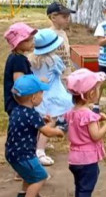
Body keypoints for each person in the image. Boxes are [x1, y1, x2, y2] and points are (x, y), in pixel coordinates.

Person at [65, 68, 106, 197]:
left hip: (75, 158)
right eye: (95, 89)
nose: (97, 91)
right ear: (88, 94)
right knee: (86, 187)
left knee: (80, 186)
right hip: (87, 158)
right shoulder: (87, 115)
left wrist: (98, 118)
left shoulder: (73, 112)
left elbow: (83, 129)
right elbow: (95, 135)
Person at [5, 75, 65, 197]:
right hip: (24, 155)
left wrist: (44, 122)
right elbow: (47, 132)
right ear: (33, 98)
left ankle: (23, 195)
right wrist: (58, 131)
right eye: (41, 93)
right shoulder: (32, 115)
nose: (42, 96)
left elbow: (35, 125)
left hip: (13, 153)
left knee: (29, 174)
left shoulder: (17, 110)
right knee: (40, 176)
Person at [30, 29, 74, 166]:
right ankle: (40, 150)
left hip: (38, 95)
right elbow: (60, 72)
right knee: (50, 122)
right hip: (53, 94)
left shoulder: (30, 59)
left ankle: (37, 144)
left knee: (39, 123)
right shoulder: (54, 60)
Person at [3, 23, 37, 116]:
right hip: (18, 105)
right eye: (28, 40)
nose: (32, 42)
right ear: (17, 43)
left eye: (32, 39)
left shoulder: (16, 57)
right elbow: (20, 84)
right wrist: (37, 83)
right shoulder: (18, 60)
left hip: (18, 104)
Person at [46, 1, 75, 75]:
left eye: (68, 16)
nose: (67, 19)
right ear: (53, 17)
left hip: (66, 73)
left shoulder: (63, 33)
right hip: (54, 74)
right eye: (64, 17)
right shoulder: (48, 35)